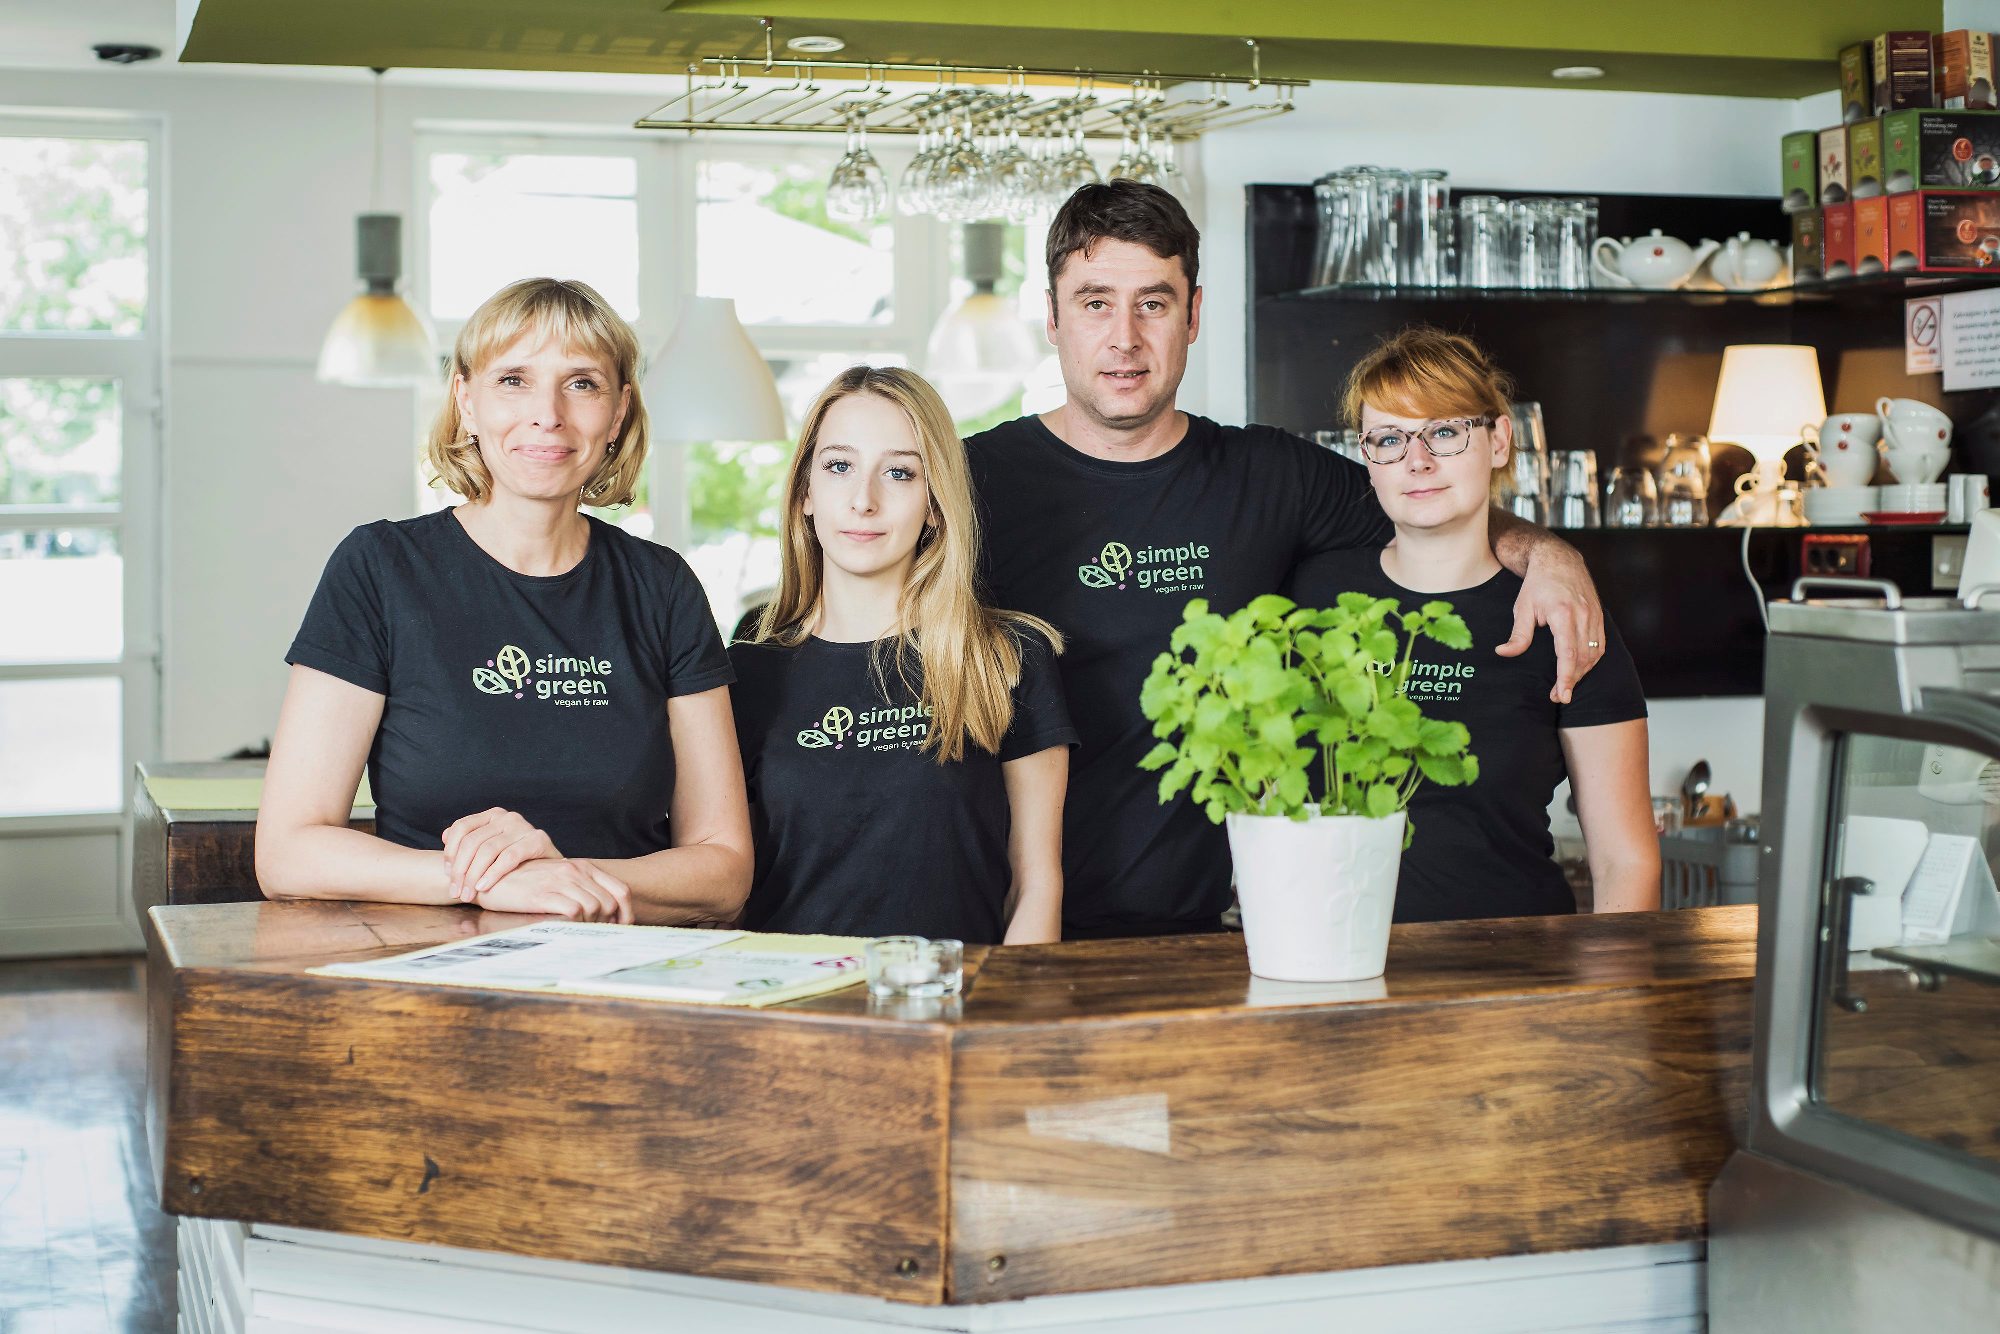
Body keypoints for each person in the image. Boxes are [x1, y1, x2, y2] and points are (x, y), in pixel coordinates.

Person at [965, 180, 1609, 938]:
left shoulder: (1273, 476)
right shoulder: (971, 482)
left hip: (1208, 934)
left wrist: (1548, 551)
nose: (1125, 338)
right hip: (1008, 925)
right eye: (1095, 302)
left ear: (1193, 315)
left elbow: (1431, 507)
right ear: (1052, 316)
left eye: (1154, 303)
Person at [257, 278, 752, 924]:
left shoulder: (663, 586)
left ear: (619, 412)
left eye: (582, 383)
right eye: (514, 380)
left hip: (625, 963)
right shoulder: (380, 569)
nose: (548, 413)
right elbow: (288, 852)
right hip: (427, 960)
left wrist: (564, 878)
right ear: (465, 400)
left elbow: (724, 869)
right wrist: (486, 882)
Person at [1288, 327, 1659, 918]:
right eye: (1389, 439)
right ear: (1366, 458)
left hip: (1514, 960)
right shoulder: (1307, 596)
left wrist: (1608, 980)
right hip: (1331, 955)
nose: (1417, 461)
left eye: (1444, 432)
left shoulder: (1563, 616)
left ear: (1500, 440)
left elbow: (1626, 862)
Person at [730, 367, 1075, 944]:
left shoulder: (1006, 658)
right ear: (806, 493)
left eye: (899, 472)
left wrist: (1014, 1001)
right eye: (839, 466)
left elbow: (1036, 885)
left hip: (956, 993)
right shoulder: (746, 669)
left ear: (935, 504)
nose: (864, 501)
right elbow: (725, 892)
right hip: (791, 993)